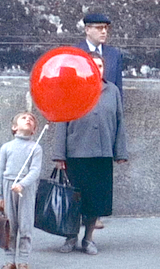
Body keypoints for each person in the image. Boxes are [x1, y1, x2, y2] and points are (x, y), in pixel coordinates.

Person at [52, 52, 128, 255]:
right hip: (77, 153)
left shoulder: (112, 91)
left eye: (100, 66)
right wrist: (59, 155)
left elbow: (120, 122)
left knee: (96, 200)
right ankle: (70, 237)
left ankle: (88, 239)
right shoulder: (71, 89)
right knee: (73, 199)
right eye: (92, 66)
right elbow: (61, 122)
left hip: (102, 154)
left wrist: (120, 151)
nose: (97, 70)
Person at [75, 12, 124, 230]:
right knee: (80, 174)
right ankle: (77, 215)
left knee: (99, 176)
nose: (104, 31)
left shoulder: (113, 54)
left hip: (104, 120)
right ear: (87, 29)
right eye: (98, 27)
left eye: (106, 28)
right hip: (81, 121)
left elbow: (117, 87)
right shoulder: (75, 53)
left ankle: (95, 215)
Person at [0, 111, 43, 269]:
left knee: (25, 225)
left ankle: (23, 261)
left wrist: (22, 184)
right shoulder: (6, 147)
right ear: (14, 127)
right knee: (10, 226)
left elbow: (35, 171)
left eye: (31, 119)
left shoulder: (35, 148)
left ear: (35, 130)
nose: (28, 119)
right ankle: (10, 261)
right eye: (24, 118)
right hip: (8, 186)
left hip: (25, 189)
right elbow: (0, 172)